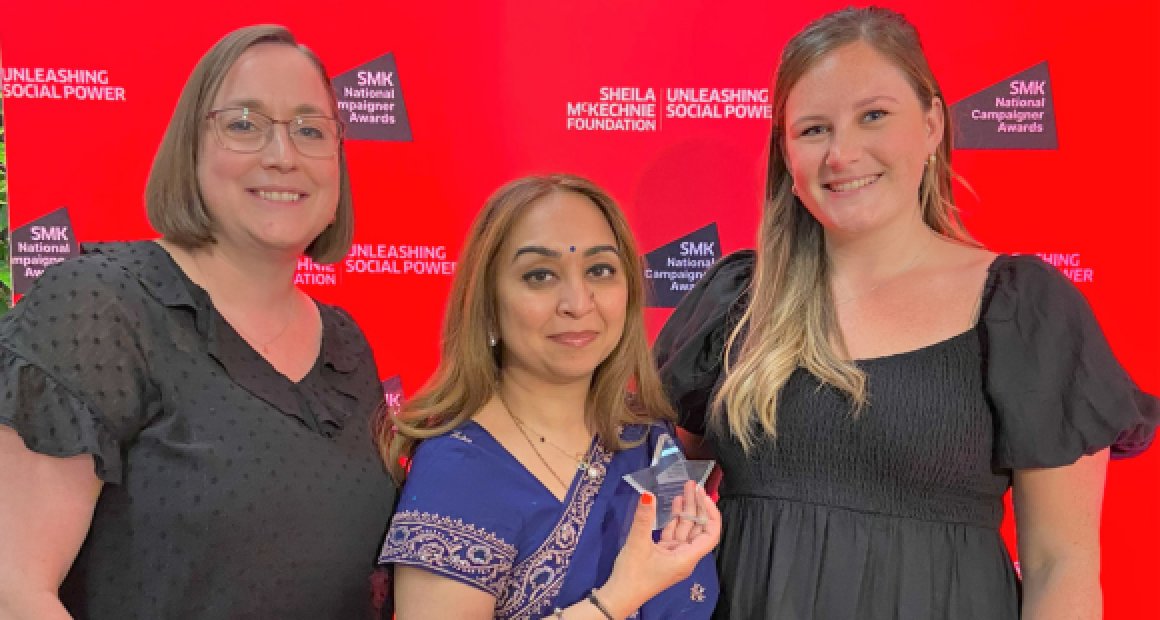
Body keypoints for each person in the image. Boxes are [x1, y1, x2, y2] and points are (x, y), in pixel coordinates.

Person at [654, 7, 1158, 620]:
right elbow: (660, 500)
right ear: (785, 153)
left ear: (931, 125)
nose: (842, 153)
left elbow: (1062, 568)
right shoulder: (735, 301)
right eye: (813, 129)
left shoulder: (1024, 311)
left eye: (873, 116)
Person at [0, 25, 396, 619]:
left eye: (310, 130)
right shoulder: (99, 306)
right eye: (244, 123)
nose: (281, 155)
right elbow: (16, 589)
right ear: (191, 147)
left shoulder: (345, 344)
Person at [378, 175, 720, 619]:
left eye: (600, 270)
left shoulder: (647, 437)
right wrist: (614, 601)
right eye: (540, 275)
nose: (578, 303)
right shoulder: (457, 472)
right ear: (489, 304)